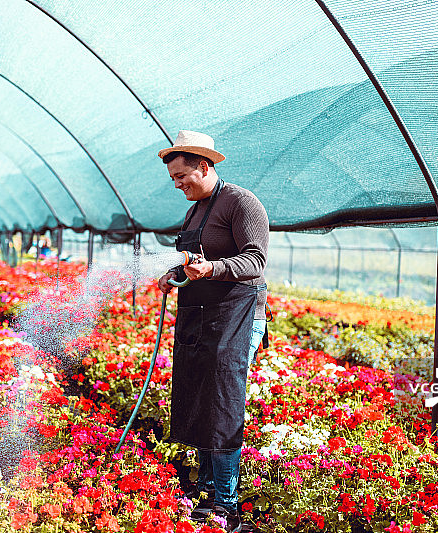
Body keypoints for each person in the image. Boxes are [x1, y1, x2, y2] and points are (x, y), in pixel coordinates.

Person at [158, 130, 268, 531]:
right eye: (173, 179)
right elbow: (191, 257)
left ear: (204, 167)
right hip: (200, 314)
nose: (178, 184)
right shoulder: (195, 210)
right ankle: (205, 489)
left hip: (237, 314)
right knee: (200, 395)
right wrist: (174, 274)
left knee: (222, 399)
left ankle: (225, 502)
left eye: (183, 176)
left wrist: (213, 268)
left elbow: (255, 260)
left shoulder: (241, 202)